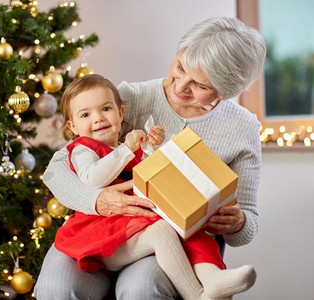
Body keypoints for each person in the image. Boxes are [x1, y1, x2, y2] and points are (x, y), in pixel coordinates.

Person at [35, 16, 266, 300]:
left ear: (226, 90)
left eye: (200, 85)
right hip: (98, 225)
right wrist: (97, 201)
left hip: (175, 236)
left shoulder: (242, 129)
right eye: (180, 67)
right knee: (55, 288)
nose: (181, 86)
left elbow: (248, 225)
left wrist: (238, 222)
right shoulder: (130, 98)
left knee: (141, 289)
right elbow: (58, 168)